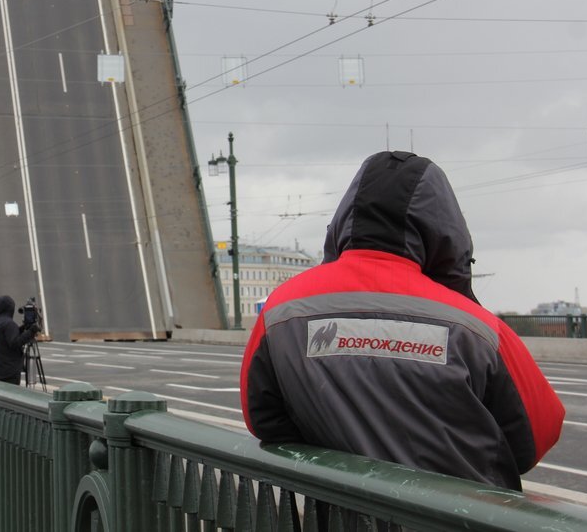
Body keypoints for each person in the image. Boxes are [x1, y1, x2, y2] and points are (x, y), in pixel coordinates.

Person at [240, 151, 565, 491]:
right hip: (460, 517)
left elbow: (263, 418)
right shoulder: (476, 327)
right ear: (445, 228)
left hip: (340, 514)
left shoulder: (282, 310)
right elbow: (537, 435)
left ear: (346, 216)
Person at [0, 295, 38, 385]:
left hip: (1, 369)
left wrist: (23, 328)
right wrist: (31, 331)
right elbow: (15, 343)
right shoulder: (9, 323)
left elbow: (7, 337)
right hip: (11, 370)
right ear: (11, 308)